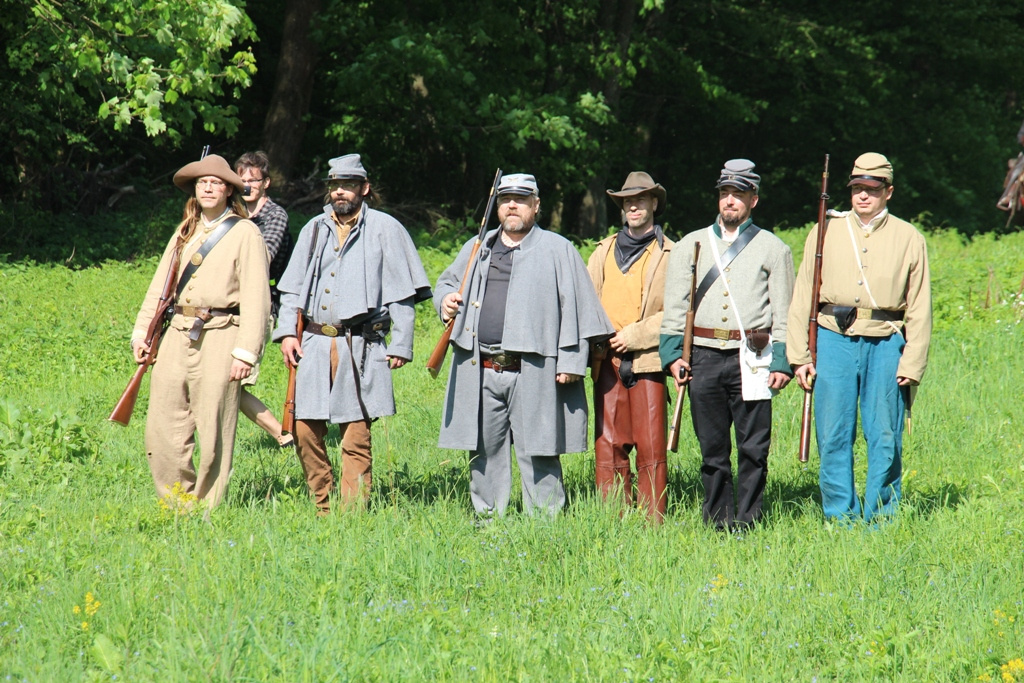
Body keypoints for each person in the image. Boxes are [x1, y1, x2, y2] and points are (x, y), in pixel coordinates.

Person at [434, 173, 614, 519]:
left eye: (521, 199)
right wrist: (444, 301)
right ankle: (487, 522)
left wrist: (571, 362)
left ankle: (543, 525)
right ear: (498, 206)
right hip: (481, 367)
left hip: (536, 369)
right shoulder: (479, 246)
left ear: (536, 205)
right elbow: (446, 284)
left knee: (540, 449)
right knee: (483, 451)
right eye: (506, 200)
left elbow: (580, 309)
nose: (512, 206)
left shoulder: (558, 249)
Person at [273, 154, 431, 515]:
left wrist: (402, 343)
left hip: (361, 343)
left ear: (364, 188)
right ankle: (323, 504)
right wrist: (287, 334)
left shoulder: (386, 228)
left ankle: (352, 513)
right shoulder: (314, 228)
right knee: (303, 428)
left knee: (355, 432)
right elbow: (292, 289)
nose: (340, 191)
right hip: (313, 343)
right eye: (335, 185)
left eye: (347, 185)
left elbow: (402, 294)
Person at [788, 153, 932, 524]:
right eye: (857, 188)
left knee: (884, 434)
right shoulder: (825, 230)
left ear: (889, 191)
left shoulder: (909, 238)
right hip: (832, 339)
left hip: (885, 341)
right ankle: (840, 516)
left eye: (872, 188)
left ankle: (882, 516)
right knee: (833, 432)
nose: (863, 195)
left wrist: (913, 361)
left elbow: (919, 306)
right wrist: (799, 356)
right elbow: (803, 294)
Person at [660, 159, 794, 531]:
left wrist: (782, 361)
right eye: (724, 193)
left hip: (752, 357)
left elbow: (785, 312)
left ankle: (749, 520)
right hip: (702, 356)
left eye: (738, 194)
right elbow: (675, 306)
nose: (730, 200)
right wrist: (672, 355)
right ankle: (718, 520)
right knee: (712, 448)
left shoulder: (774, 249)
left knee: (754, 448)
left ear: (754, 200)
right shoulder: (690, 244)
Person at [131, 154, 270, 509]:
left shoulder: (246, 232)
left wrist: (245, 352)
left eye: (216, 183)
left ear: (228, 190)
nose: (208, 188)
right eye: (202, 182)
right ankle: (176, 504)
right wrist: (142, 333)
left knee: (214, 427)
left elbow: (257, 296)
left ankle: (207, 506)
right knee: (162, 426)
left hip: (221, 334)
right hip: (176, 333)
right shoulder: (185, 231)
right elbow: (159, 288)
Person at [586, 171, 674, 523]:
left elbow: (680, 309)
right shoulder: (603, 251)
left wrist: (635, 336)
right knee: (609, 442)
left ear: (654, 203)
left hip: (649, 360)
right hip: (606, 360)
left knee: (651, 443)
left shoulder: (671, 252)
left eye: (640, 200)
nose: (633, 206)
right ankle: (612, 520)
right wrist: (600, 339)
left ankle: (654, 520)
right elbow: (585, 301)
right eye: (627, 201)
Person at [233, 151, 293, 448]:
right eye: (241, 180)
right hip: (227, 305)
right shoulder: (232, 213)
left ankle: (283, 435)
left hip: (259, 304)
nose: (247, 185)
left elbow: (262, 259)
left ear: (266, 183)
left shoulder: (275, 216)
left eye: (253, 180)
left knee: (233, 383)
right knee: (220, 381)